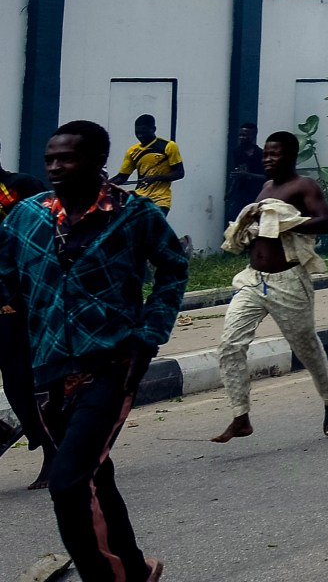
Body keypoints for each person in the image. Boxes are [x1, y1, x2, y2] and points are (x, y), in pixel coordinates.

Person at [0, 122, 189, 582]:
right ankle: (134, 567)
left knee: (67, 484)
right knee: (94, 476)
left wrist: (148, 336)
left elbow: (173, 269)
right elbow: (4, 273)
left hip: (111, 364)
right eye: (49, 159)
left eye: (67, 158)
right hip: (47, 368)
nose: (56, 167)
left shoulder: (134, 213)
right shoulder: (26, 216)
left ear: (98, 161)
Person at [211, 130, 328, 445]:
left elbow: (326, 222)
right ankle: (240, 415)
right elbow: (262, 230)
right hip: (253, 280)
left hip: (289, 281)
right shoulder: (265, 188)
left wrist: (286, 223)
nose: (268, 159)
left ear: (291, 156)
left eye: (275, 154)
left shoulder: (304, 186)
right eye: (266, 155)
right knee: (230, 345)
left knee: (306, 348)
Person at [0, 154, 54, 472]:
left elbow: (45, 235)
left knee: (19, 379)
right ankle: (27, 431)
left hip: (20, 297)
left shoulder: (22, 186)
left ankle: (50, 447)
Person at [110, 115, 185, 217]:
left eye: (143, 132)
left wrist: (155, 178)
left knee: (152, 229)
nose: (140, 136)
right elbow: (121, 177)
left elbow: (179, 173)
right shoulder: (132, 151)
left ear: (153, 129)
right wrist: (104, 185)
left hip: (160, 199)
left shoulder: (168, 146)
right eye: (137, 132)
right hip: (139, 198)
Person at [226, 123, 265, 222]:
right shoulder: (237, 152)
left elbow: (267, 177)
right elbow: (238, 171)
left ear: (253, 135)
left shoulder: (261, 154)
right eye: (240, 135)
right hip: (241, 193)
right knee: (235, 220)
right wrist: (230, 191)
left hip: (257, 193)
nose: (242, 138)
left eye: (245, 135)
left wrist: (248, 175)